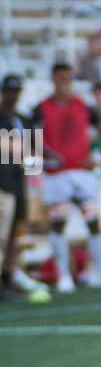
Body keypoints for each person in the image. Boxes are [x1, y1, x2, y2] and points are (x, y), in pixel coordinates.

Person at [31, 64, 101, 293]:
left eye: (68, 78)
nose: (64, 82)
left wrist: (98, 156)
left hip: (81, 172)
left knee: (94, 222)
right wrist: (45, 153)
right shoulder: (41, 108)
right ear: (53, 79)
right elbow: (30, 138)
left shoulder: (83, 106)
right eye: (60, 78)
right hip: (56, 175)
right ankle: (64, 276)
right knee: (58, 225)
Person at [0, 74, 41, 297]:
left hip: (18, 182)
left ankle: (8, 276)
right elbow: (14, 148)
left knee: (14, 234)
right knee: (1, 235)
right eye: (9, 90)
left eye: (15, 91)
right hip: (3, 182)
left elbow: (34, 150)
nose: (12, 95)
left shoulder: (22, 119)